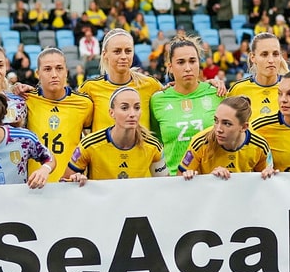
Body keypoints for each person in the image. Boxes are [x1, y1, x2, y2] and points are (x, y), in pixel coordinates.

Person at [63, 87, 168, 184]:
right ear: (111, 113)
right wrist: (75, 179)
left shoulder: (153, 146)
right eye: (124, 108)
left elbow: (165, 185)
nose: (132, 114)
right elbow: (64, 182)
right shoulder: (90, 144)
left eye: (137, 108)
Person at [150, 36, 222, 174]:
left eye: (192, 61)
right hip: (174, 181)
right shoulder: (157, 100)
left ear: (199, 64)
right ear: (170, 67)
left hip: (211, 179)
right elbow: (155, 143)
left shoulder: (217, 93)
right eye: (181, 62)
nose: (188, 68)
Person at [25, 48, 94, 182]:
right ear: (38, 74)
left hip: (69, 184)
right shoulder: (26, 100)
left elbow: (91, 144)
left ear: (66, 72)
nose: (54, 74)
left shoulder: (84, 104)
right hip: (34, 185)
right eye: (47, 69)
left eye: (59, 68)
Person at [78, 29, 163, 131]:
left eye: (128, 51)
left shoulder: (150, 85)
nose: (123, 56)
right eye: (117, 51)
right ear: (105, 54)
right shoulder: (89, 88)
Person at [178, 96, 276, 180]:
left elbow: (266, 182)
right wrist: (210, 178)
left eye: (227, 124)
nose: (218, 129)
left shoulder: (260, 146)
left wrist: (269, 174)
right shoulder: (200, 142)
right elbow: (180, 178)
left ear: (244, 127)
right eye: (216, 121)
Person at [228, 33, 288, 118]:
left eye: (275, 54)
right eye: (264, 54)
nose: (271, 60)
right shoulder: (238, 90)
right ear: (253, 57)